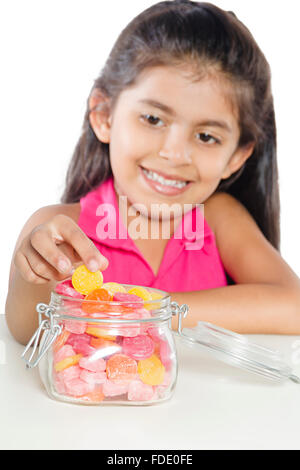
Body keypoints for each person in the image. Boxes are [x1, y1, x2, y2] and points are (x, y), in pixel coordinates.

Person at [5, 0, 300, 345]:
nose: (174, 153)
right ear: (104, 115)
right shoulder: (61, 229)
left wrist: (143, 310)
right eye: (153, 119)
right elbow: (29, 333)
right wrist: (35, 274)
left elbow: (293, 306)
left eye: (206, 136)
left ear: (236, 156)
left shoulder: (217, 219)